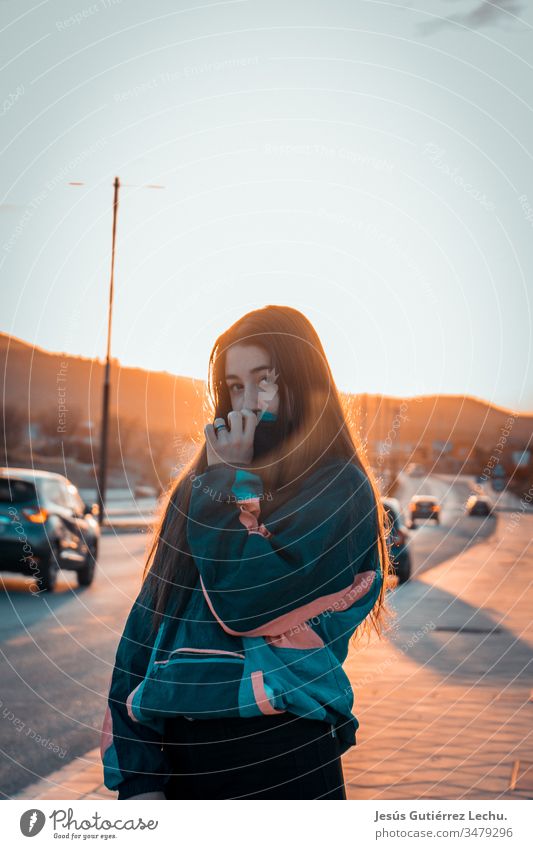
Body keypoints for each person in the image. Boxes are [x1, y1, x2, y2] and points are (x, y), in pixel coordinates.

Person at [100, 304, 393, 800]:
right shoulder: (203, 489)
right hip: (182, 765)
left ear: (302, 383)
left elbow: (251, 602)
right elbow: (146, 632)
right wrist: (138, 776)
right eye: (235, 386)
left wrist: (224, 484)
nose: (248, 401)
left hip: (280, 759)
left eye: (264, 380)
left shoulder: (339, 489)